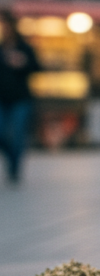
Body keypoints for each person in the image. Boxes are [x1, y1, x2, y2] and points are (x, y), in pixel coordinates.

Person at [0, 11, 41, 184]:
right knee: (2, 133)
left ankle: (15, 168)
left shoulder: (24, 47)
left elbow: (37, 67)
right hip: (1, 98)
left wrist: (23, 63)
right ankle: (11, 159)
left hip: (21, 98)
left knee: (18, 134)